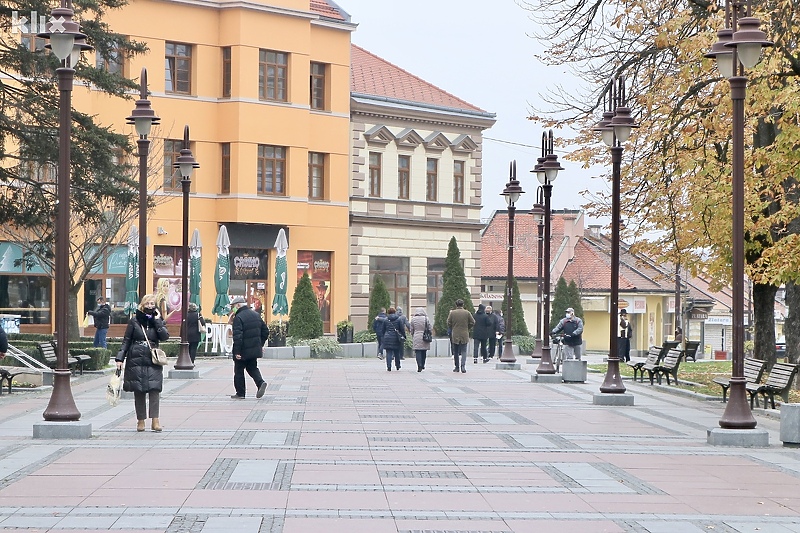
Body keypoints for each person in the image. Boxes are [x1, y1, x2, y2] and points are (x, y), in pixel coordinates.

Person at [115, 294, 170, 432]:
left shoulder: (158, 320)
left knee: (154, 389)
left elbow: (164, 337)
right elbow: (126, 340)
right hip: (136, 357)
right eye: (148, 304)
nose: (150, 306)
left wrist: (157, 321)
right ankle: (140, 420)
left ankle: (155, 420)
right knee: (138, 390)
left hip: (153, 358)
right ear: (142, 305)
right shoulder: (134, 321)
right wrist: (120, 358)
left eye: (152, 303)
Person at [230, 296, 269, 399]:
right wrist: (260, 344)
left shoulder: (239, 317)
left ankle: (240, 393)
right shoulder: (256, 315)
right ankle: (260, 383)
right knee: (252, 367)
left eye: (233, 306)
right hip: (254, 349)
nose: (233, 309)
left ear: (238, 305)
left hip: (242, 350)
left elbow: (238, 336)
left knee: (239, 371)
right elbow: (265, 331)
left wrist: (237, 351)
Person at [447, 299, 474, 373]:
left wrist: (453, 327)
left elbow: (448, 322)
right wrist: (468, 327)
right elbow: (473, 322)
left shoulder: (452, 313)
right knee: (464, 351)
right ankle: (463, 366)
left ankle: (456, 367)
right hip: (464, 333)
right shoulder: (467, 313)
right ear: (463, 304)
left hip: (455, 333)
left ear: (456, 305)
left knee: (455, 351)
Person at [381, 307, 405, 371]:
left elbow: (383, 330)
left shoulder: (386, 320)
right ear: (395, 312)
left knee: (388, 353)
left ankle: (389, 366)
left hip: (387, 337)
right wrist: (404, 336)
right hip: (396, 338)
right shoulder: (399, 319)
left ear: (388, 312)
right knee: (397, 352)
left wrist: (384, 336)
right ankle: (398, 365)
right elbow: (402, 329)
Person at [409, 307, 432, 372]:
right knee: (424, 351)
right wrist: (429, 333)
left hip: (416, 336)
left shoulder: (413, 319)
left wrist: (413, 334)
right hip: (425, 336)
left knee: (418, 352)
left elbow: (411, 329)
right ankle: (423, 364)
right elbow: (429, 328)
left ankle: (419, 365)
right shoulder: (426, 319)